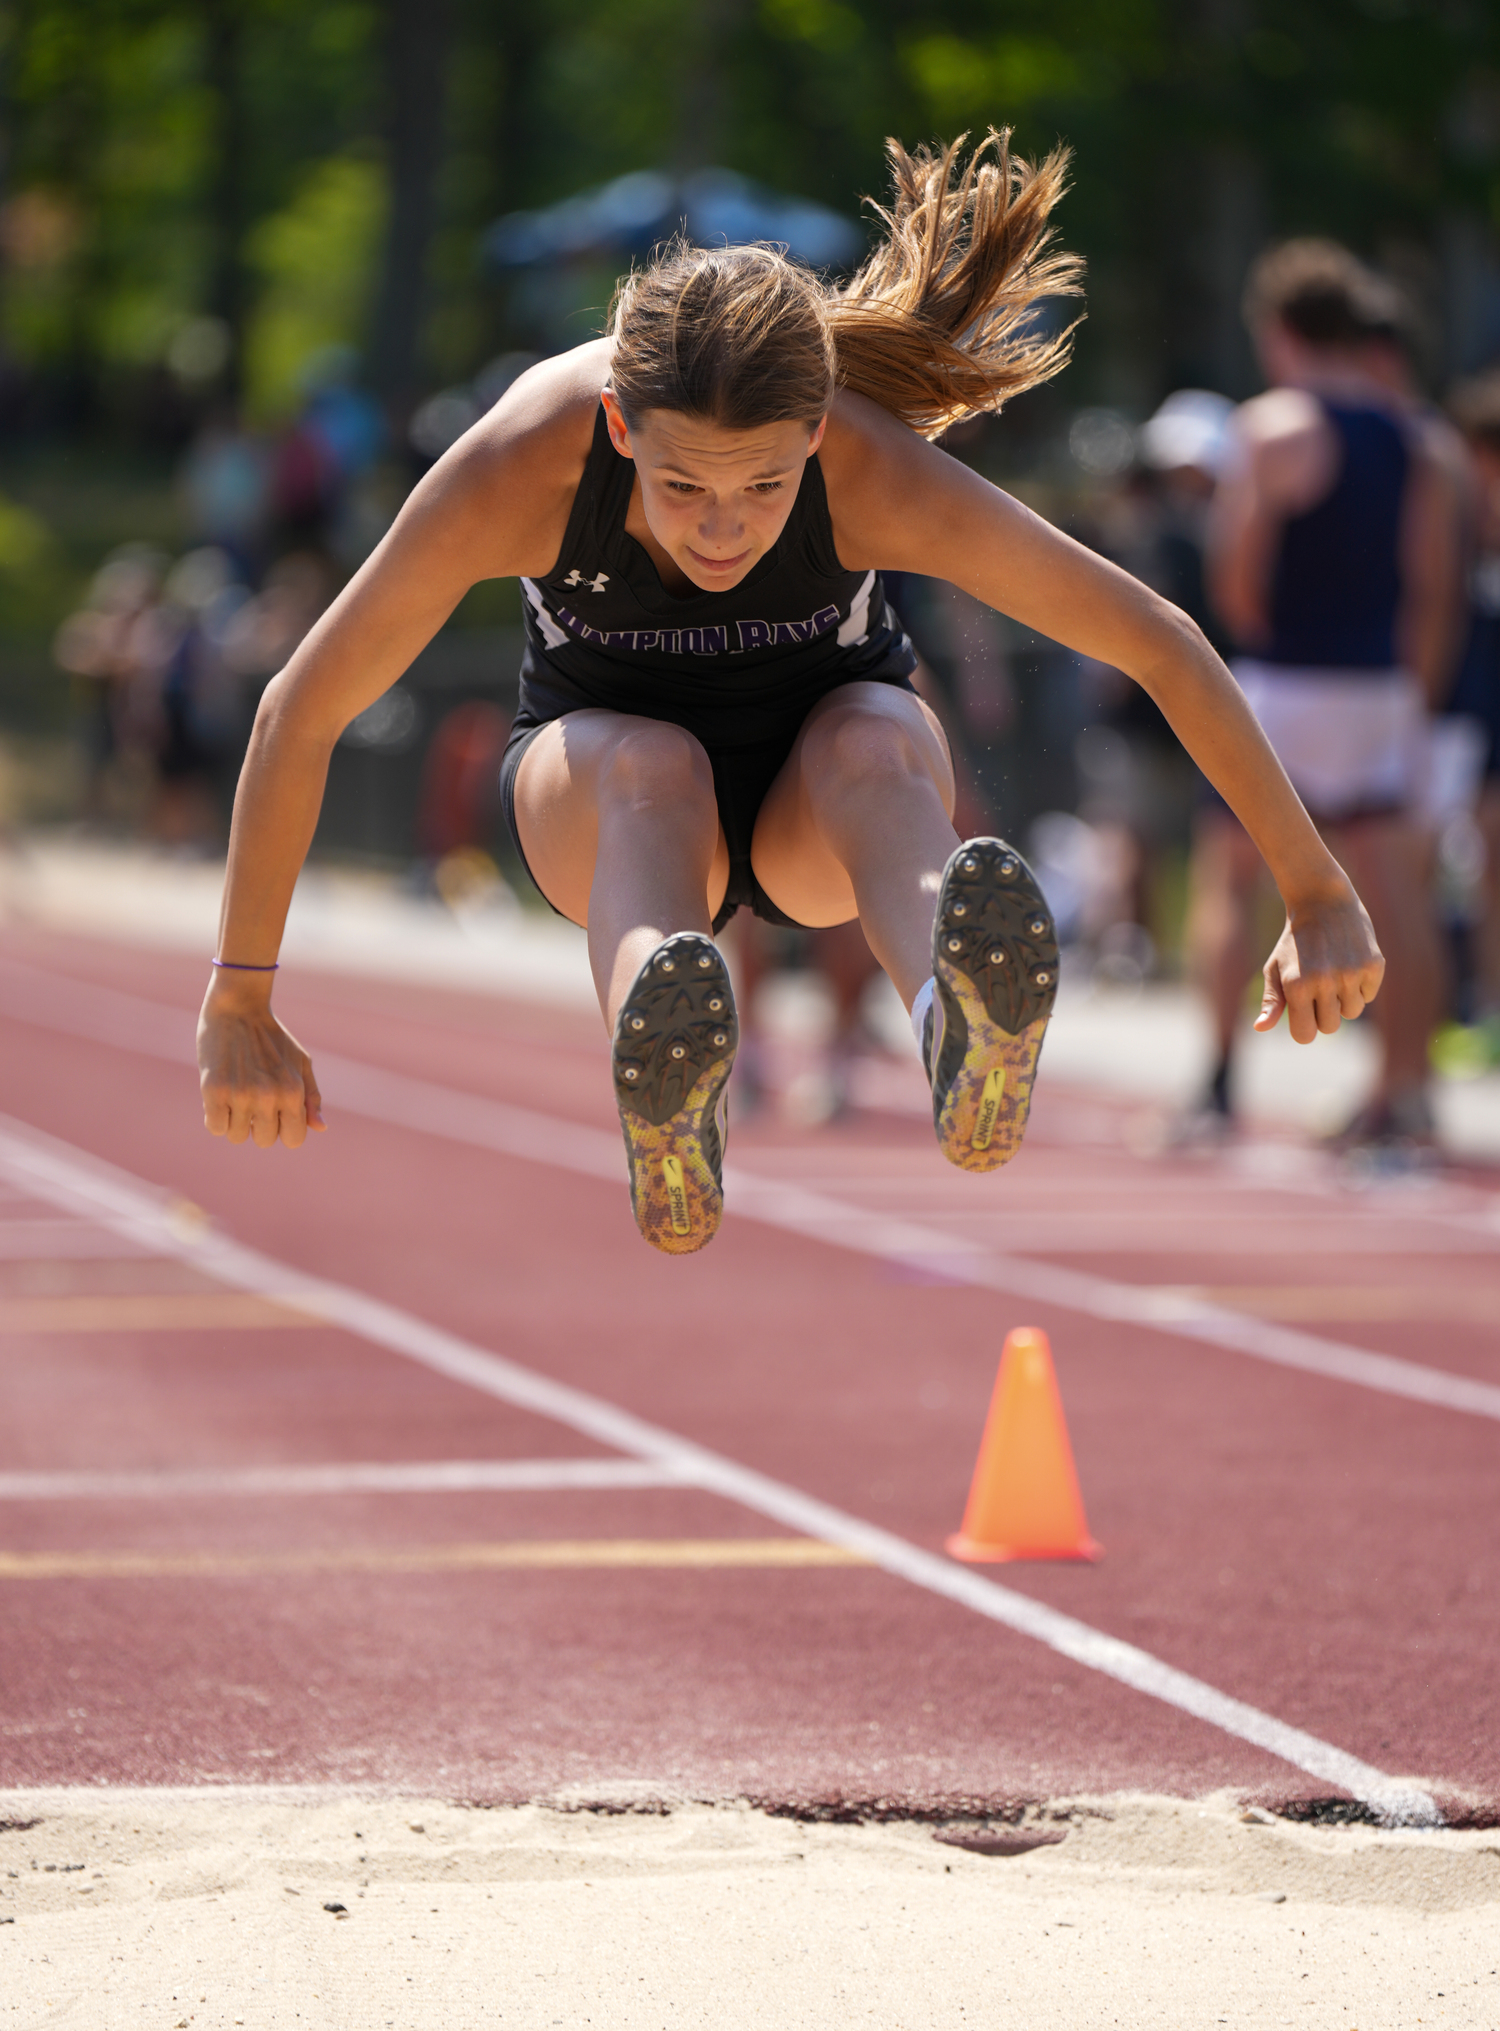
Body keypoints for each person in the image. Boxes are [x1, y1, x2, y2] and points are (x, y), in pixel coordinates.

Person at [197, 133, 1383, 1255]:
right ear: (617, 428)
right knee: (651, 769)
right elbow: (300, 707)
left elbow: (1157, 638)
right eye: (682, 487)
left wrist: (1315, 884)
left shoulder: (867, 467)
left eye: (764, 486)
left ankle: (955, 1029)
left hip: (820, 797)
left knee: (875, 733)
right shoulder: (522, 464)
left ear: (813, 435)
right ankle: (667, 1088)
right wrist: (240, 994)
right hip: (604, 796)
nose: (725, 528)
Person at [1186, 239, 1458, 1146]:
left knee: (1230, 878)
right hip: (1378, 686)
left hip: (1285, 680)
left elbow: (1236, 578)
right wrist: (1408, 694)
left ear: (1278, 330)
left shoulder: (1271, 427)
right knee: (1394, 894)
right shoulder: (1418, 436)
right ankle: (1405, 1091)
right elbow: (1430, 585)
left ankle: (1219, 1082)